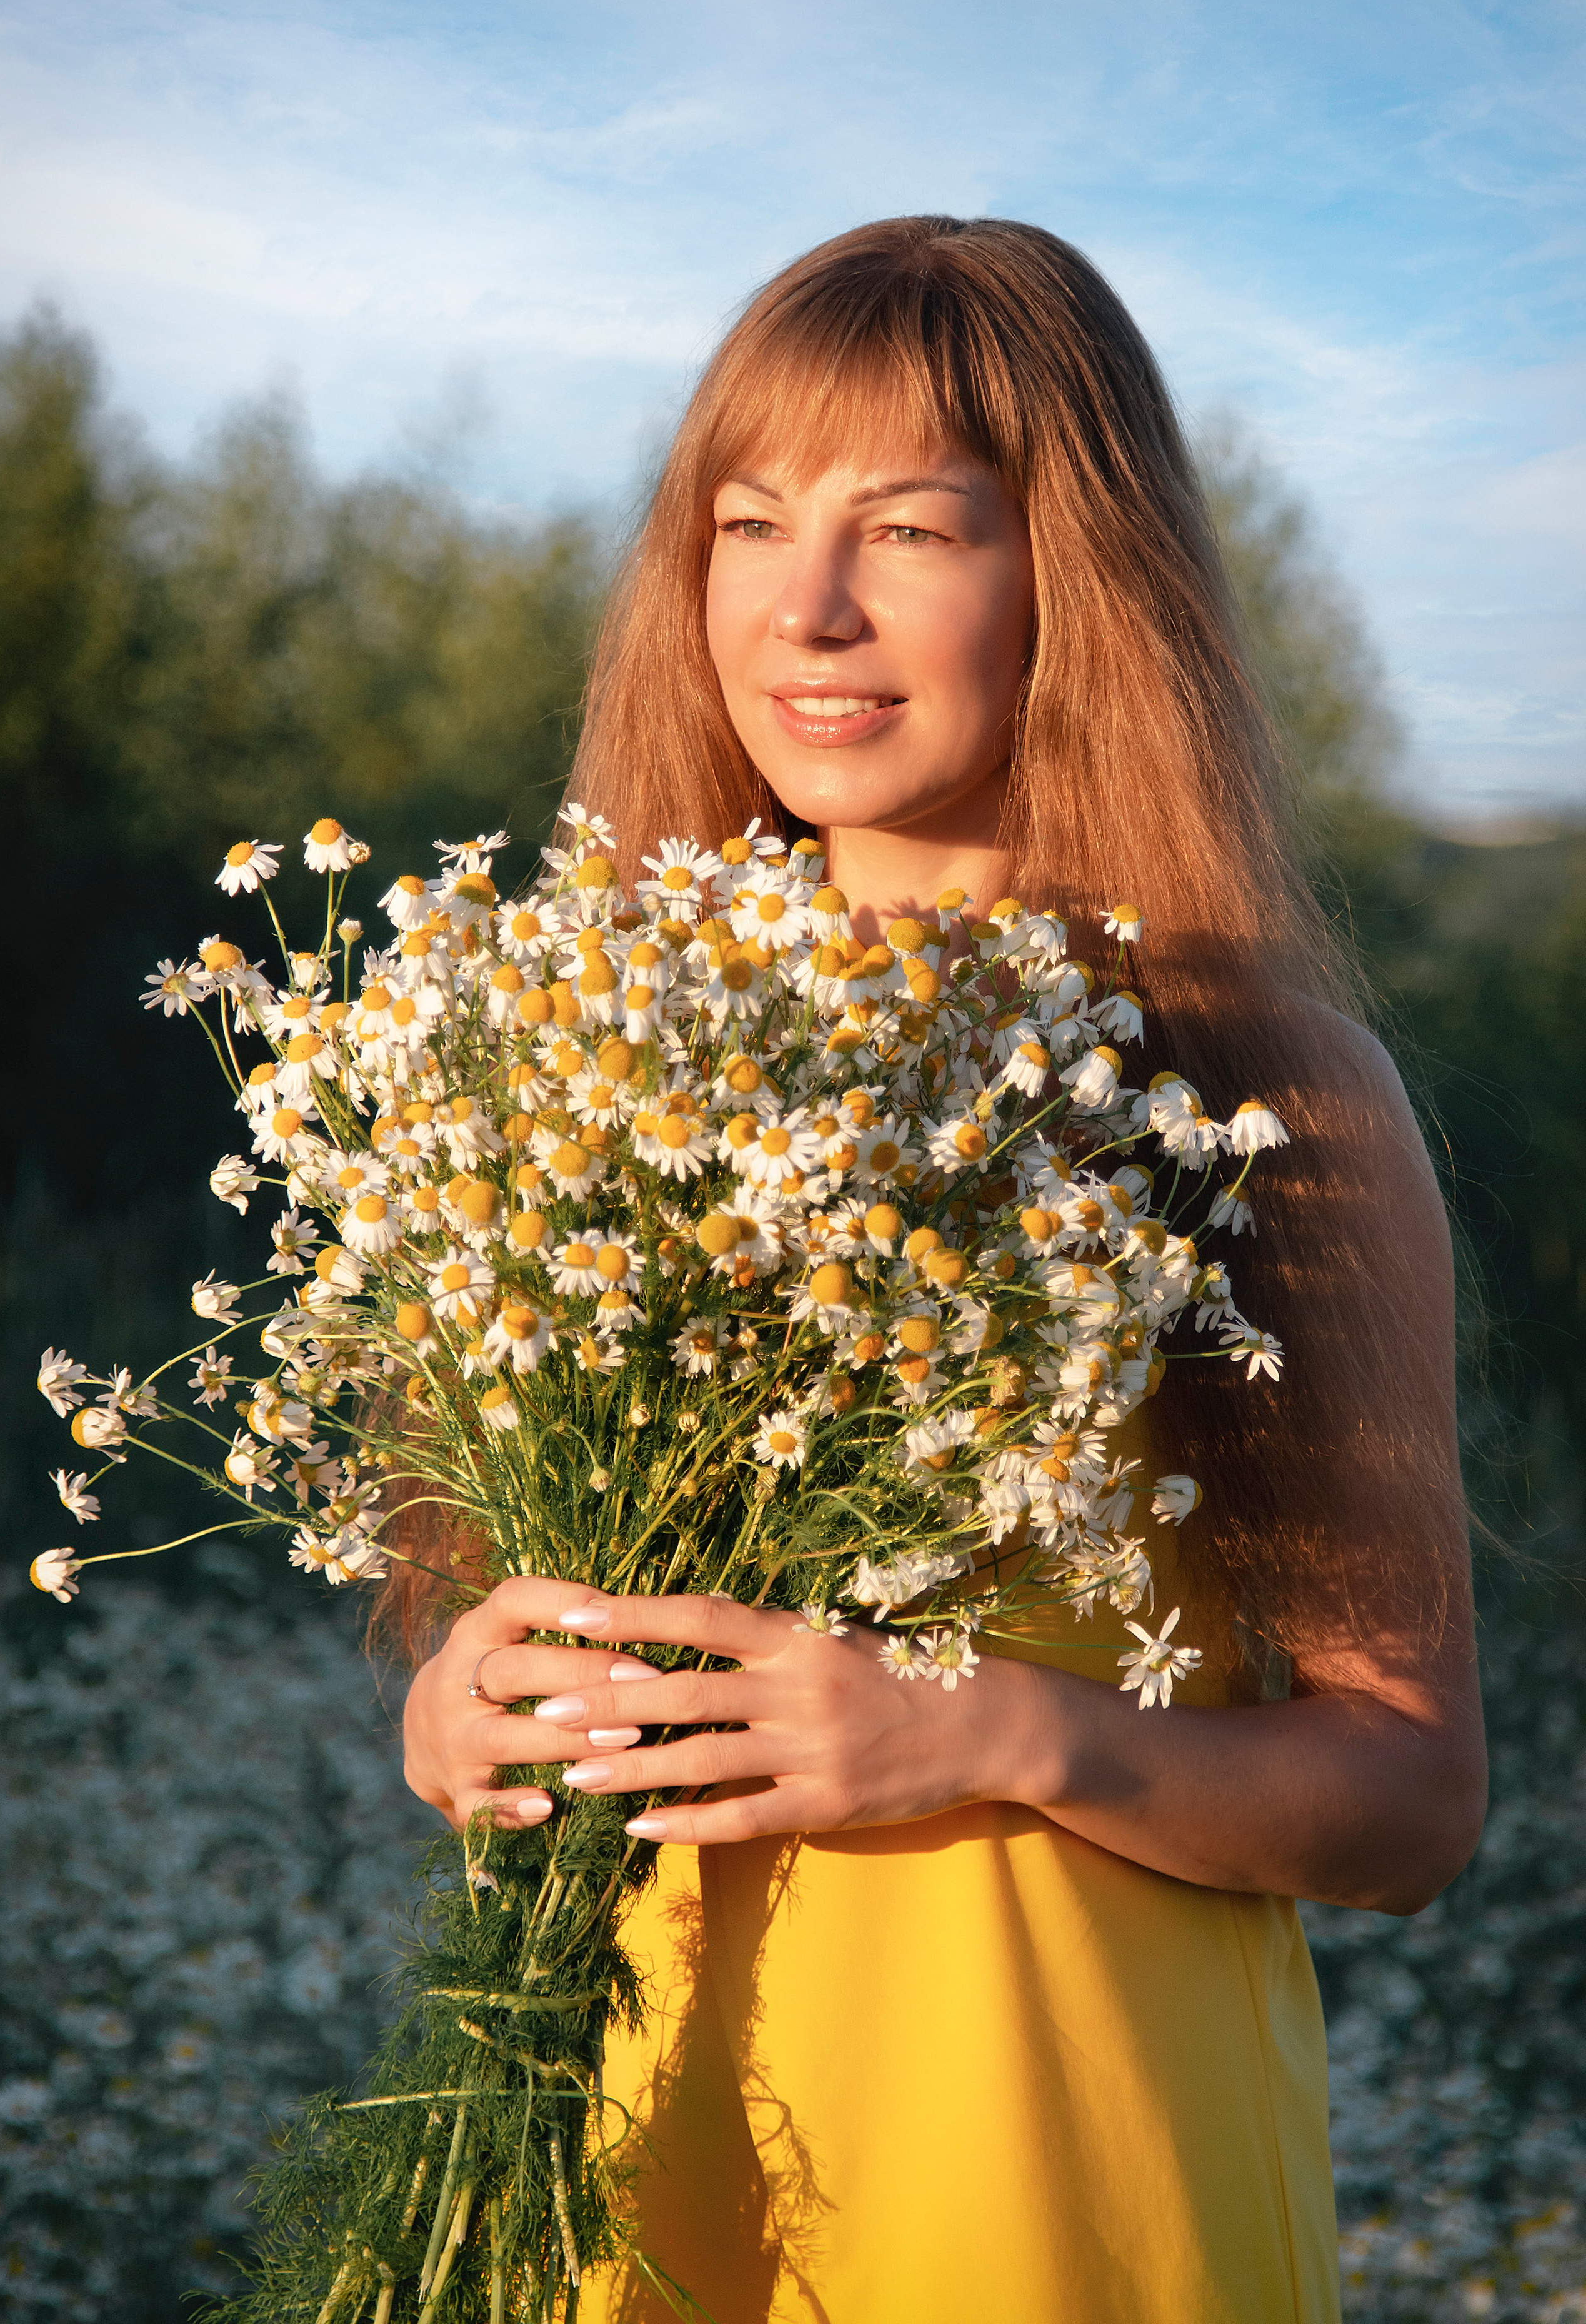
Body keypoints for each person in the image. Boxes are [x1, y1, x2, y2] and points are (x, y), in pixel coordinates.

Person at [392, 216, 1487, 2322]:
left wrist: (987, 1735)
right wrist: (469, 1704)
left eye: (907, 528)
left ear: (1073, 576)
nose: (806, 606)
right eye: (749, 522)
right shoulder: (597, 1060)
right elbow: (555, 1617)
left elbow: (1412, 1798)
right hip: (620, 2130)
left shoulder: (1248, 1091)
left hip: (1054, 2169)